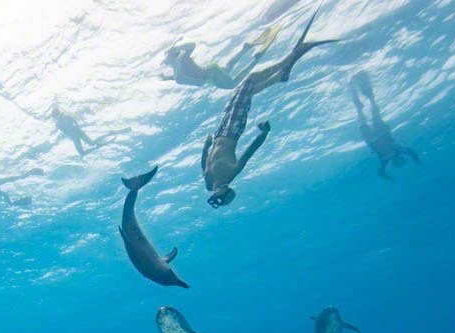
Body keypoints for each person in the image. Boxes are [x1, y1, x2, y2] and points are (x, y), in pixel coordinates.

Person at [202, 10, 334, 208]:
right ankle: (286, 64)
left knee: (243, 91)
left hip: (221, 130)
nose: (221, 189)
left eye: (222, 193)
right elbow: (250, 151)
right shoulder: (232, 173)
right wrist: (264, 133)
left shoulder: (208, 184)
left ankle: (279, 75)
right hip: (233, 130)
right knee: (247, 84)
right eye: (226, 192)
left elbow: (203, 163)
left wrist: (205, 146)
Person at [163, 23, 282, 90]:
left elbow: (197, 82)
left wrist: (176, 49)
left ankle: (256, 59)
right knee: (227, 66)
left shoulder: (178, 73)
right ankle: (245, 49)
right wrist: (177, 48)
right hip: (211, 68)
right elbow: (192, 46)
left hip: (211, 76)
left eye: (166, 61)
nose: (165, 63)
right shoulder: (182, 59)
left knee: (233, 85)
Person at [350, 71, 421, 180]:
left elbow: (411, 152)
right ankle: (361, 101)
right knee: (365, 117)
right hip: (374, 137)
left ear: (399, 159)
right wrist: (417, 161)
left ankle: (368, 97)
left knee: (374, 115)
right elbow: (381, 173)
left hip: (380, 134)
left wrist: (416, 160)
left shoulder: (397, 152)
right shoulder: (389, 157)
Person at [49, 104, 128, 157]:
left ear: (56, 115)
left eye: (54, 116)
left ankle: (109, 134)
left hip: (76, 133)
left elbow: (73, 124)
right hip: (75, 135)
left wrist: (76, 130)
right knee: (83, 152)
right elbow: (72, 124)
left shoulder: (64, 118)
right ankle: (100, 143)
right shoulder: (60, 122)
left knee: (89, 145)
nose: (54, 118)